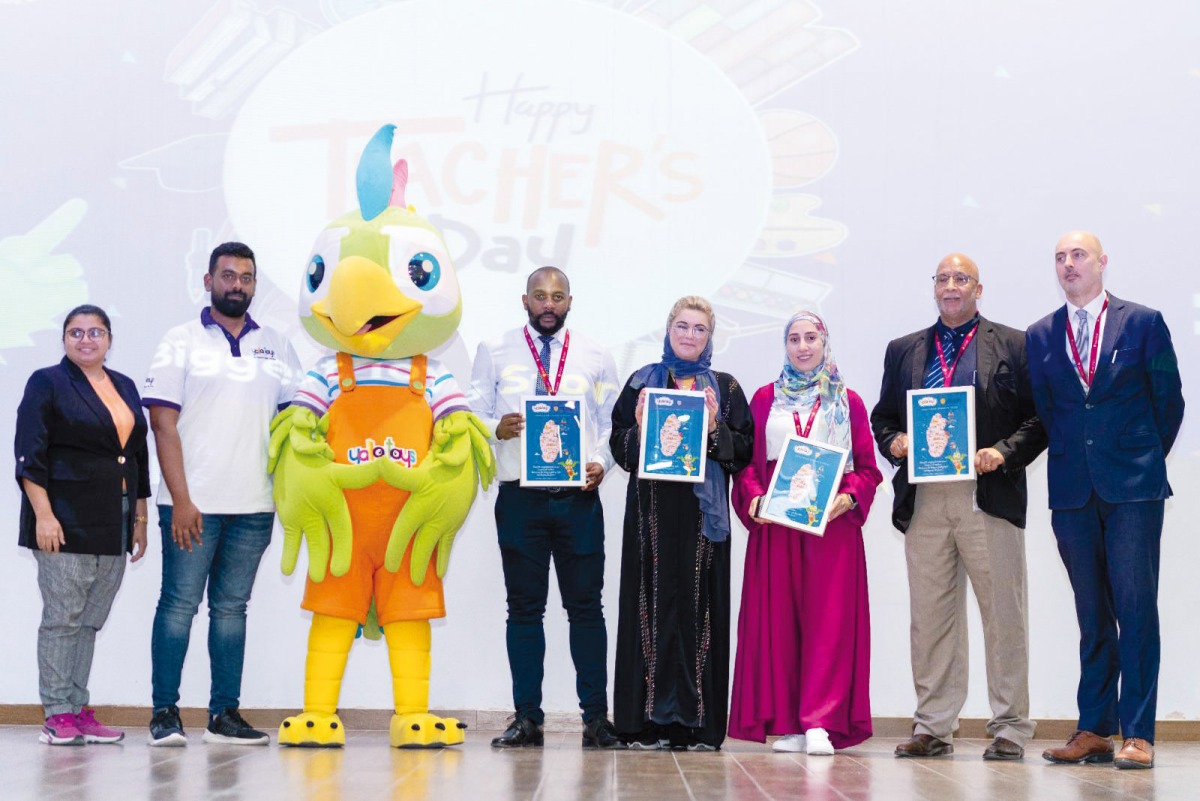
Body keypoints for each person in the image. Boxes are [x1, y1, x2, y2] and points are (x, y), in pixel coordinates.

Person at [870, 254, 1047, 760]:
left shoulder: (1014, 343)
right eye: (943, 279)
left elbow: (1039, 418)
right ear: (934, 288)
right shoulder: (903, 350)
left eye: (961, 278)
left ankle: (1010, 726)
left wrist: (1003, 453)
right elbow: (883, 418)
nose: (951, 286)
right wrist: (897, 442)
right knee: (931, 617)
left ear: (978, 288)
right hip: (925, 500)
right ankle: (933, 726)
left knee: (1004, 614)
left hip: (986, 495)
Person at [1028, 231, 1184, 770]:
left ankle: (1138, 733)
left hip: (1134, 490)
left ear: (1102, 263)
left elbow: (1170, 402)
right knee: (1092, 615)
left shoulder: (1143, 322)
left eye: (1078, 255)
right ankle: (1094, 728)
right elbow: (1050, 412)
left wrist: (1137, 458)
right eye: (1060, 258)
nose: (1068, 264)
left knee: (1136, 610)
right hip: (1072, 492)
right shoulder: (1040, 335)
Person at [142, 242, 301, 746]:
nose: (238, 285)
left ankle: (223, 715)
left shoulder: (276, 343)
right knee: (178, 606)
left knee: (232, 611)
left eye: (247, 278)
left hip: (255, 506)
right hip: (193, 505)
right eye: (228, 276)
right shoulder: (180, 339)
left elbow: (296, 422)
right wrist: (182, 499)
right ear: (208, 281)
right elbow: (162, 424)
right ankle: (164, 712)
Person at [468, 266, 623, 749]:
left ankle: (596, 720)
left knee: (586, 610)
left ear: (570, 302)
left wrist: (600, 462)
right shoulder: (493, 351)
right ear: (525, 300)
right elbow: (471, 409)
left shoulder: (596, 354)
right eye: (540, 296)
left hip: (578, 499)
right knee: (523, 610)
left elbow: (610, 420)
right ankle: (527, 718)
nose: (548, 304)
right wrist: (496, 426)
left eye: (557, 296)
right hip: (520, 500)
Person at [728, 311, 882, 755]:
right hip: (777, 527)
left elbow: (868, 471)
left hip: (829, 529)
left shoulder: (846, 401)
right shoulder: (763, 399)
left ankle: (821, 722)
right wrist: (755, 499)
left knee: (828, 622)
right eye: (793, 339)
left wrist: (847, 499)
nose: (802, 346)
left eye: (810, 337)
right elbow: (747, 467)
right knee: (779, 622)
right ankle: (793, 721)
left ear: (824, 341)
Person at [609, 295, 753, 750]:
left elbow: (744, 449)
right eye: (682, 327)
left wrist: (713, 430)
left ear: (710, 337)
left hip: (702, 522)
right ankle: (644, 724)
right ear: (667, 329)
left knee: (700, 611)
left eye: (700, 329)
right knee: (647, 609)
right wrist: (636, 427)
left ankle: (696, 725)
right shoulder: (641, 383)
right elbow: (620, 447)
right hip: (649, 517)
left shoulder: (725, 389)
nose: (690, 336)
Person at [16, 305, 150, 745]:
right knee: (62, 619)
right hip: (64, 520)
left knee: (89, 620)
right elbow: (28, 454)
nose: (86, 339)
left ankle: (77, 708)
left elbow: (136, 456)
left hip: (115, 518)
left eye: (96, 332)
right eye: (76, 332)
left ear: (109, 339)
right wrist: (44, 515)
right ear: (64, 339)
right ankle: (57, 713)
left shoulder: (125, 386)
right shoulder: (47, 382)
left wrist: (141, 516)